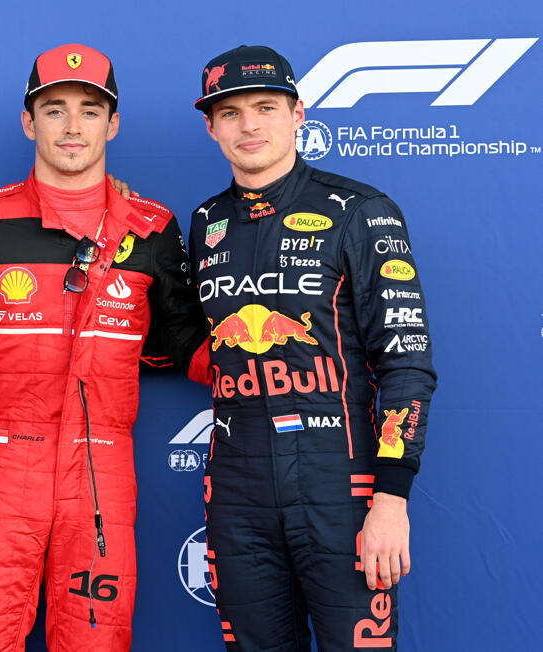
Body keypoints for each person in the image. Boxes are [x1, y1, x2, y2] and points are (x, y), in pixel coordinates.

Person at [0, 43, 210, 651]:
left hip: (103, 469)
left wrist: (278, 349)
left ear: (113, 124)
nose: (72, 127)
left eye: (90, 110)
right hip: (3, 464)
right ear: (28, 121)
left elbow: (188, 346)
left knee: (96, 642)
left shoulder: (152, 227)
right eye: (54, 109)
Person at [189, 45, 437, 650]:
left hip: (341, 482)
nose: (249, 125)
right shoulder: (203, 222)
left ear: (299, 113)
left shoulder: (361, 210)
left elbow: (406, 366)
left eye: (266, 107)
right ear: (210, 125)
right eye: (230, 112)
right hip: (237, 485)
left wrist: (391, 499)